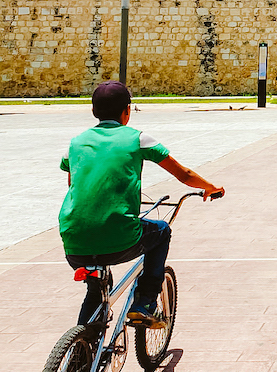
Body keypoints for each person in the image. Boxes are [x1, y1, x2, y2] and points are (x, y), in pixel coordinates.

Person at [59, 81, 224, 329]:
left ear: (94, 111)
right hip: (121, 237)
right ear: (127, 110)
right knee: (161, 231)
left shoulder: (75, 143)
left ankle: (81, 352)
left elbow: (74, 187)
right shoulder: (138, 138)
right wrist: (210, 187)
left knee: (96, 287)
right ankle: (144, 303)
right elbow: (183, 174)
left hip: (74, 241)